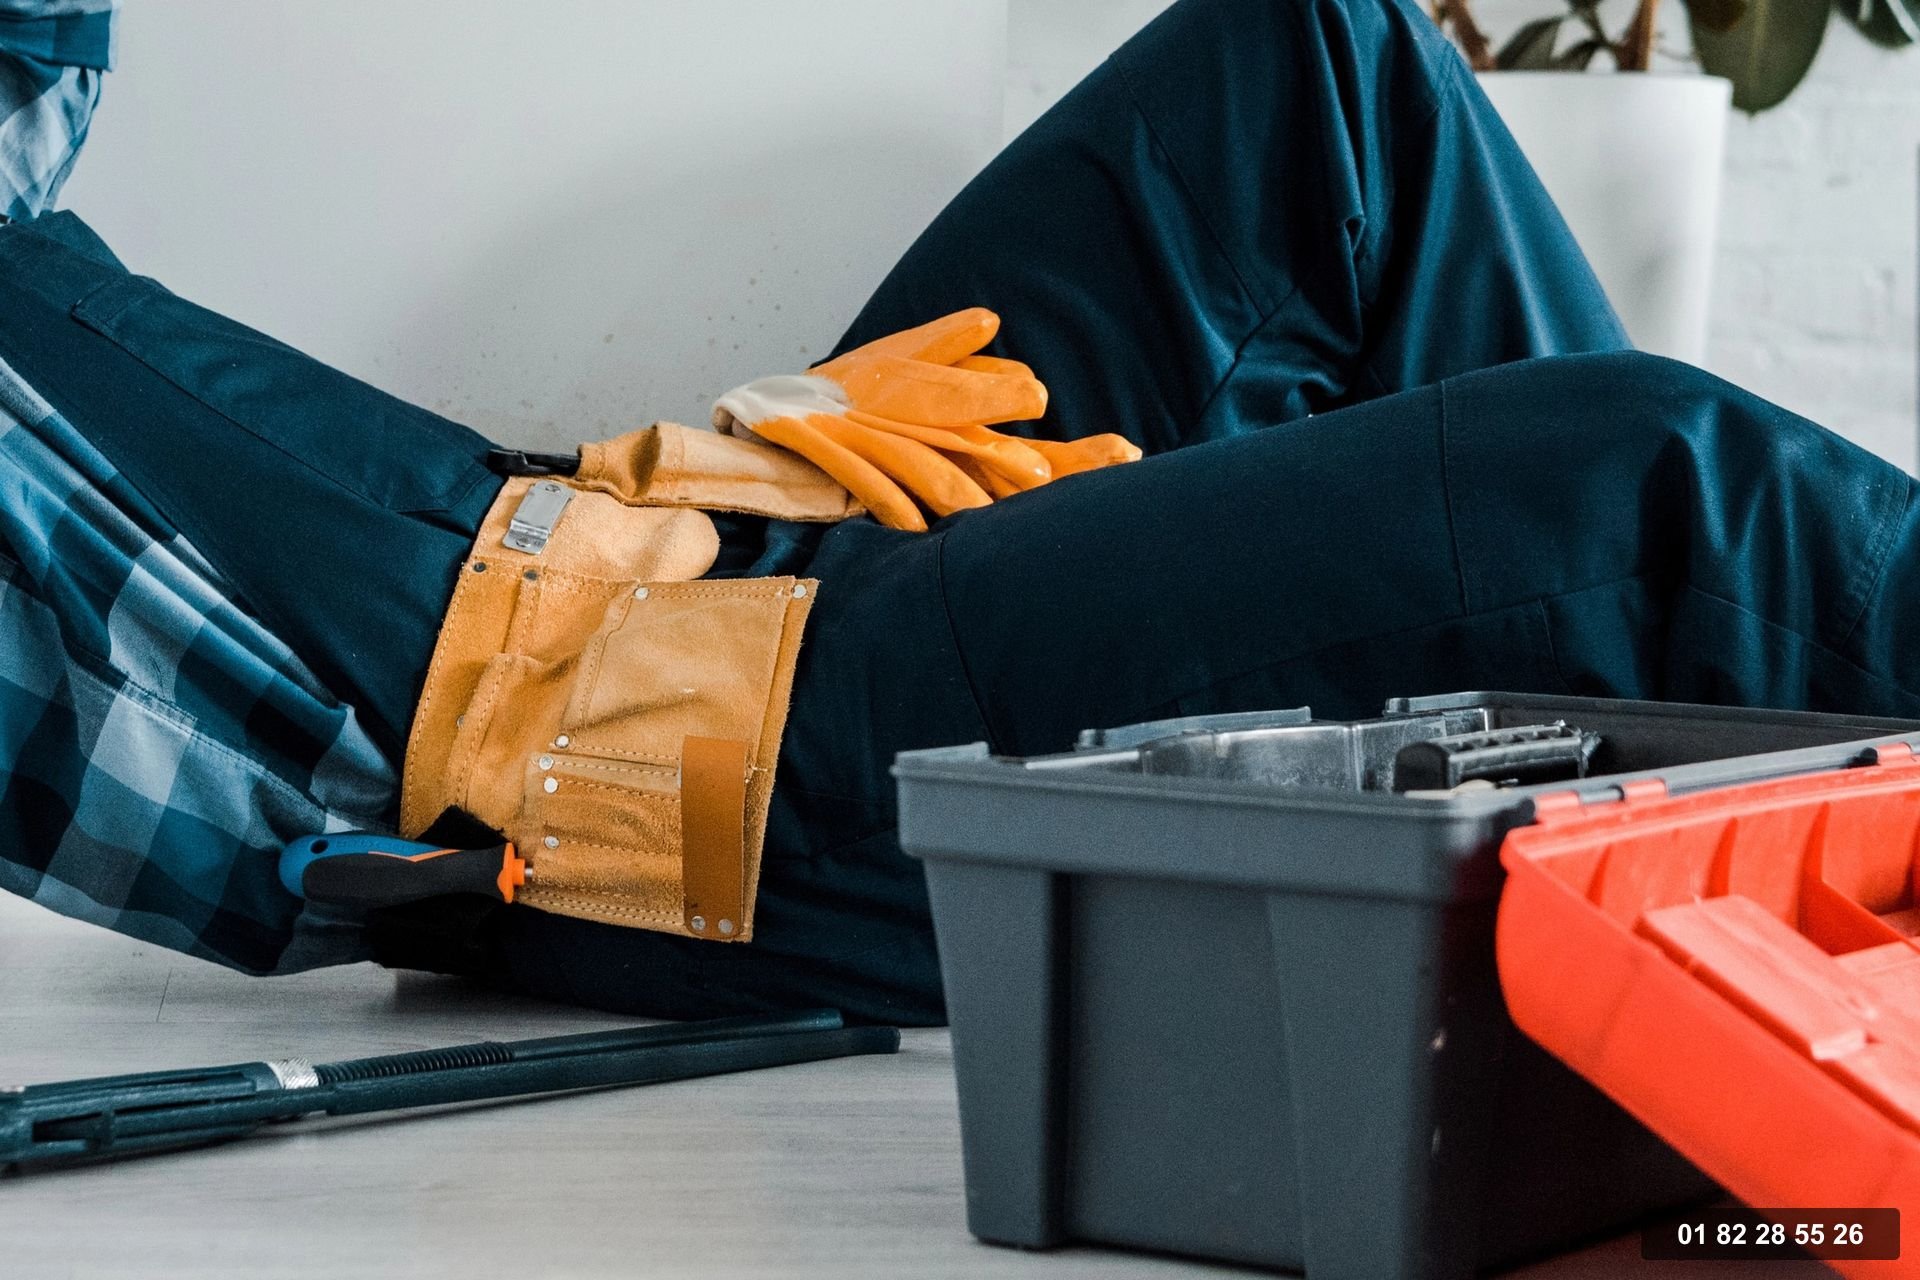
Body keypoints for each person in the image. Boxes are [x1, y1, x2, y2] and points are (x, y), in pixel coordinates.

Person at [4, 0, 1916, 1026]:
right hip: (640, 772)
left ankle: (1666, 836)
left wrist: (706, 477)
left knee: (1320, 71)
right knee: (1666, 500)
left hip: (660, 540)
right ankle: (1734, 820)